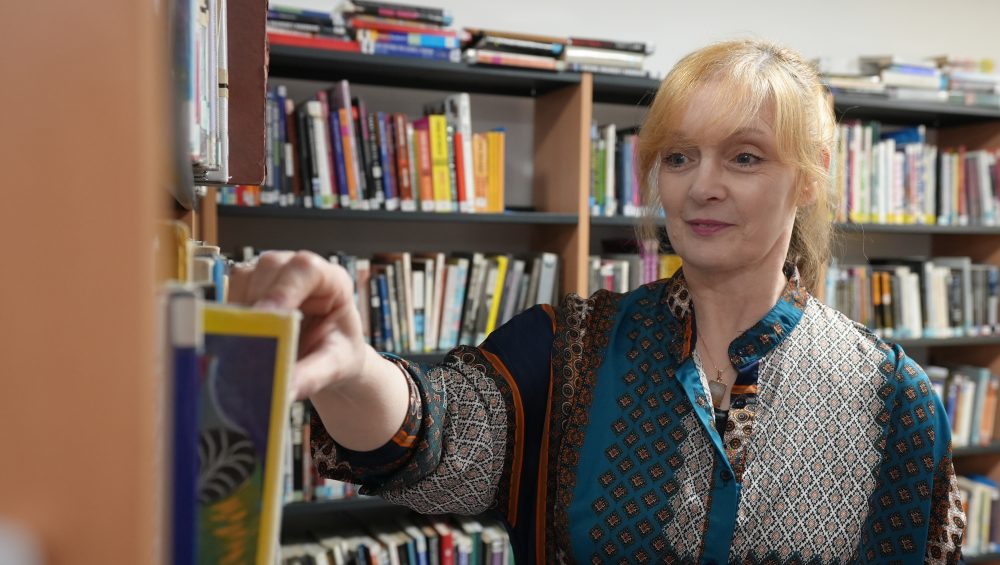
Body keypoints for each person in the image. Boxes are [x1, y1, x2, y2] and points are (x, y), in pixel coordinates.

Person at [231, 39, 966, 564]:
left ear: (809, 178)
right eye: (679, 156)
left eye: (744, 156)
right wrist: (353, 366)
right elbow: (439, 433)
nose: (701, 185)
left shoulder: (891, 399)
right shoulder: (569, 349)